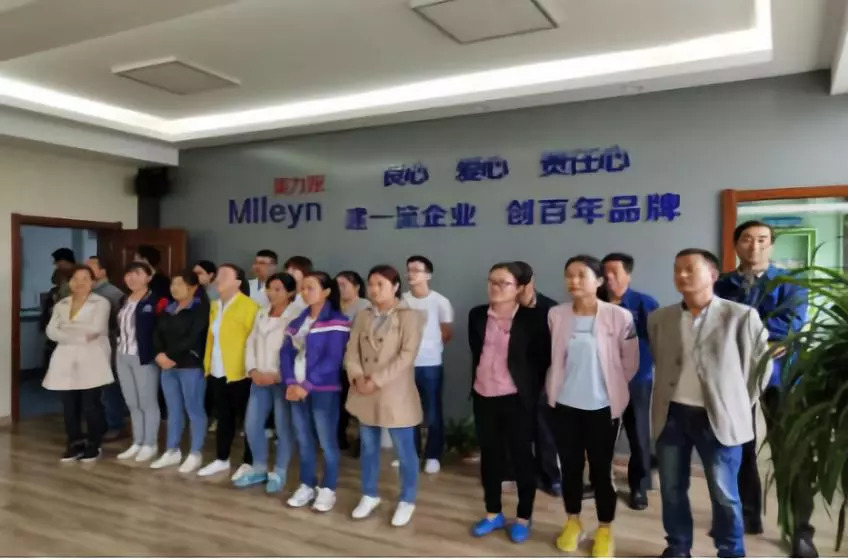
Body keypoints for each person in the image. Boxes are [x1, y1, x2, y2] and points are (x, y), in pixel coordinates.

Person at [649, 248, 771, 558]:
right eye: (677, 269)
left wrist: (736, 403)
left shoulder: (740, 317)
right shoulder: (660, 318)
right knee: (671, 490)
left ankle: (730, 551)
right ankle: (677, 546)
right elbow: (661, 360)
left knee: (724, 493)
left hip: (718, 417)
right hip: (671, 415)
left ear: (713, 275)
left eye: (690, 268)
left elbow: (760, 368)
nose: (681, 275)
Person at [714, 220, 813, 556]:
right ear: (736, 244)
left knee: (789, 451)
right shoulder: (722, 284)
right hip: (734, 378)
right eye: (746, 239)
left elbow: (789, 325)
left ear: (771, 244)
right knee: (738, 448)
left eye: (761, 240)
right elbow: (714, 324)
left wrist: (745, 334)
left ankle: (800, 528)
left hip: (780, 378)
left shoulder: (791, 282)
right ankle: (748, 515)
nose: (754, 246)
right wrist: (755, 338)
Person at [547, 255, 638, 556]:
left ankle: (605, 528)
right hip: (565, 405)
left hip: (602, 407)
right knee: (570, 467)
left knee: (601, 470)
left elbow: (630, 362)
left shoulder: (619, 316)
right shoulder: (557, 315)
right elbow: (555, 358)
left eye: (581, 275)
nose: (573, 281)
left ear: (599, 281)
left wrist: (611, 387)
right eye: (569, 275)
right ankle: (573, 521)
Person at [468, 262, 551, 544]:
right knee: (490, 457)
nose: (495, 287)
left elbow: (542, 361)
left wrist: (531, 392)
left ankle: (524, 517)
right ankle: (493, 513)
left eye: (503, 283)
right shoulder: (477, 315)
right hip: (483, 396)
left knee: (521, 458)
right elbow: (477, 353)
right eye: (492, 281)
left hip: (517, 400)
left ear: (519, 288)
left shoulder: (534, 319)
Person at [345, 265, 423, 527]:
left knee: (405, 450)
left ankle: (407, 499)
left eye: (381, 284)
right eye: (371, 284)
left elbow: (406, 356)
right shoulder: (363, 315)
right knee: (368, 447)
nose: (375, 289)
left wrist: (376, 381)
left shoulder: (410, 317)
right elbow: (351, 350)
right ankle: (369, 494)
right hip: (364, 391)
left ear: (396, 286)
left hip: (395, 393)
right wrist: (357, 377)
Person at [282, 272, 350, 512]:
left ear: (327, 292)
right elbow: (286, 353)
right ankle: (307, 484)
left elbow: (333, 359)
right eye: (303, 288)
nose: (305, 292)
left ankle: (328, 488)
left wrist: (307, 386)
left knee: (326, 440)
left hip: (323, 390)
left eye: (310, 288)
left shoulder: (338, 321)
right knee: (303, 439)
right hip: (295, 389)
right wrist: (290, 382)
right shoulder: (297, 321)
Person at [601, 252, 660, 510]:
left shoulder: (644, 304)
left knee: (638, 435)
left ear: (628, 274)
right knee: (601, 435)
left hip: (636, 380)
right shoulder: (594, 303)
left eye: (614, 272)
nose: (608, 277)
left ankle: (639, 486)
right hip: (601, 381)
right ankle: (601, 482)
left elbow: (658, 340)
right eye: (604, 272)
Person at [232, 273, 298, 492]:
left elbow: (298, 351)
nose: (272, 293)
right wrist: (252, 370)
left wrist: (279, 375)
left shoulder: (296, 316)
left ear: (290, 292)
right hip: (259, 379)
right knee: (252, 424)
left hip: (282, 380)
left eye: (278, 289)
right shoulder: (261, 313)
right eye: (270, 288)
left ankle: (279, 471)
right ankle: (259, 467)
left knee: (283, 427)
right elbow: (250, 343)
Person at [43, 264, 113, 462]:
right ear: (69, 282)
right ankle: (74, 443)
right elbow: (51, 331)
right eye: (75, 279)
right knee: (69, 405)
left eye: (85, 279)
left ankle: (94, 443)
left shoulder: (101, 303)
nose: (79, 283)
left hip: (92, 358)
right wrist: (75, 334)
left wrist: (65, 332)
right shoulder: (61, 304)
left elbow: (95, 329)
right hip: (65, 359)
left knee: (91, 405)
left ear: (93, 282)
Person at [199, 264, 260, 478]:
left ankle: (250, 462)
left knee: (248, 420)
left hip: (241, 372)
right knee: (223, 417)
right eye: (219, 274)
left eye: (225, 275)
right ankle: (221, 459)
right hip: (217, 371)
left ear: (238, 282)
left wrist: (251, 368)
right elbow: (211, 339)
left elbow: (255, 342)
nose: (219, 278)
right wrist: (207, 365)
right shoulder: (215, 305)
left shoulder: (249, 307)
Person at [150, 269, 210, 473]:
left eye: (179, 284)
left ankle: (195, 452)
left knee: (194, 409)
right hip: (167, 366)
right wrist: (159, 353)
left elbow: (193, 338)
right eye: (172, 284)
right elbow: (157, 333)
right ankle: (172, 450)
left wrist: (170, 356)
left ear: (192, 287)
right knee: (173, 409)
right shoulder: (169, 308)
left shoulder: (199, 309)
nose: (174, 288)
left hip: (190, 365)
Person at [402, 255, 453, 475]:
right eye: (409, 270)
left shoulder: (440, 301)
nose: (411, 274)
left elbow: (446, 333)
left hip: (431, 363)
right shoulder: (401, 301)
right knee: (407, 411)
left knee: (432, 410)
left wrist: (428, 347)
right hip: (405, 364)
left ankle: (433, 455)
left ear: (428, 275)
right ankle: (411, 453)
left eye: (416, 270)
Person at [514, 260, 561, 497]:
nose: (518, 292)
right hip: (515, 378)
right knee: (518, 430)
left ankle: (551, 477)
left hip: (545, 377)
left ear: (531, 282)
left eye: (521, 286)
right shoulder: (506, 309)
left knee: (546, 432)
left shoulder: (551, 309)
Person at [114, 262, 163, 463]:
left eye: (137, 273)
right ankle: (137, 441)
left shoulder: (155, 300)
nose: (131, 278)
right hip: (122, 355)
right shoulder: (123, 300)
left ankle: (150, 443)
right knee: (132, 402)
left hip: (144, 357)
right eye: (128, 274)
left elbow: (161, 330)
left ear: (148, 277)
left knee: (147, 401)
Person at [86, 256, 128, 442]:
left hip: (108, 347)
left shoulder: (114, 294)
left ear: (103, 271)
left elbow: (121, 325)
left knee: (110, 388)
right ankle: (98, 424)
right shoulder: (86, 292)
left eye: (91, 267)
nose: (86, 270)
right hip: (87, 348)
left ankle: (115, 425)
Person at [335, 270, 370, 451]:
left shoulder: (364, 306)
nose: (340, 289)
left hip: (356, 363)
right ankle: (339, 438)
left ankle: (362, 442)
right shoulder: (333, 305)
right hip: (335, 363)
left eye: (344, 285)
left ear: (356, 286)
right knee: (339, 404)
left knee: (358, 404)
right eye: (337, 285)